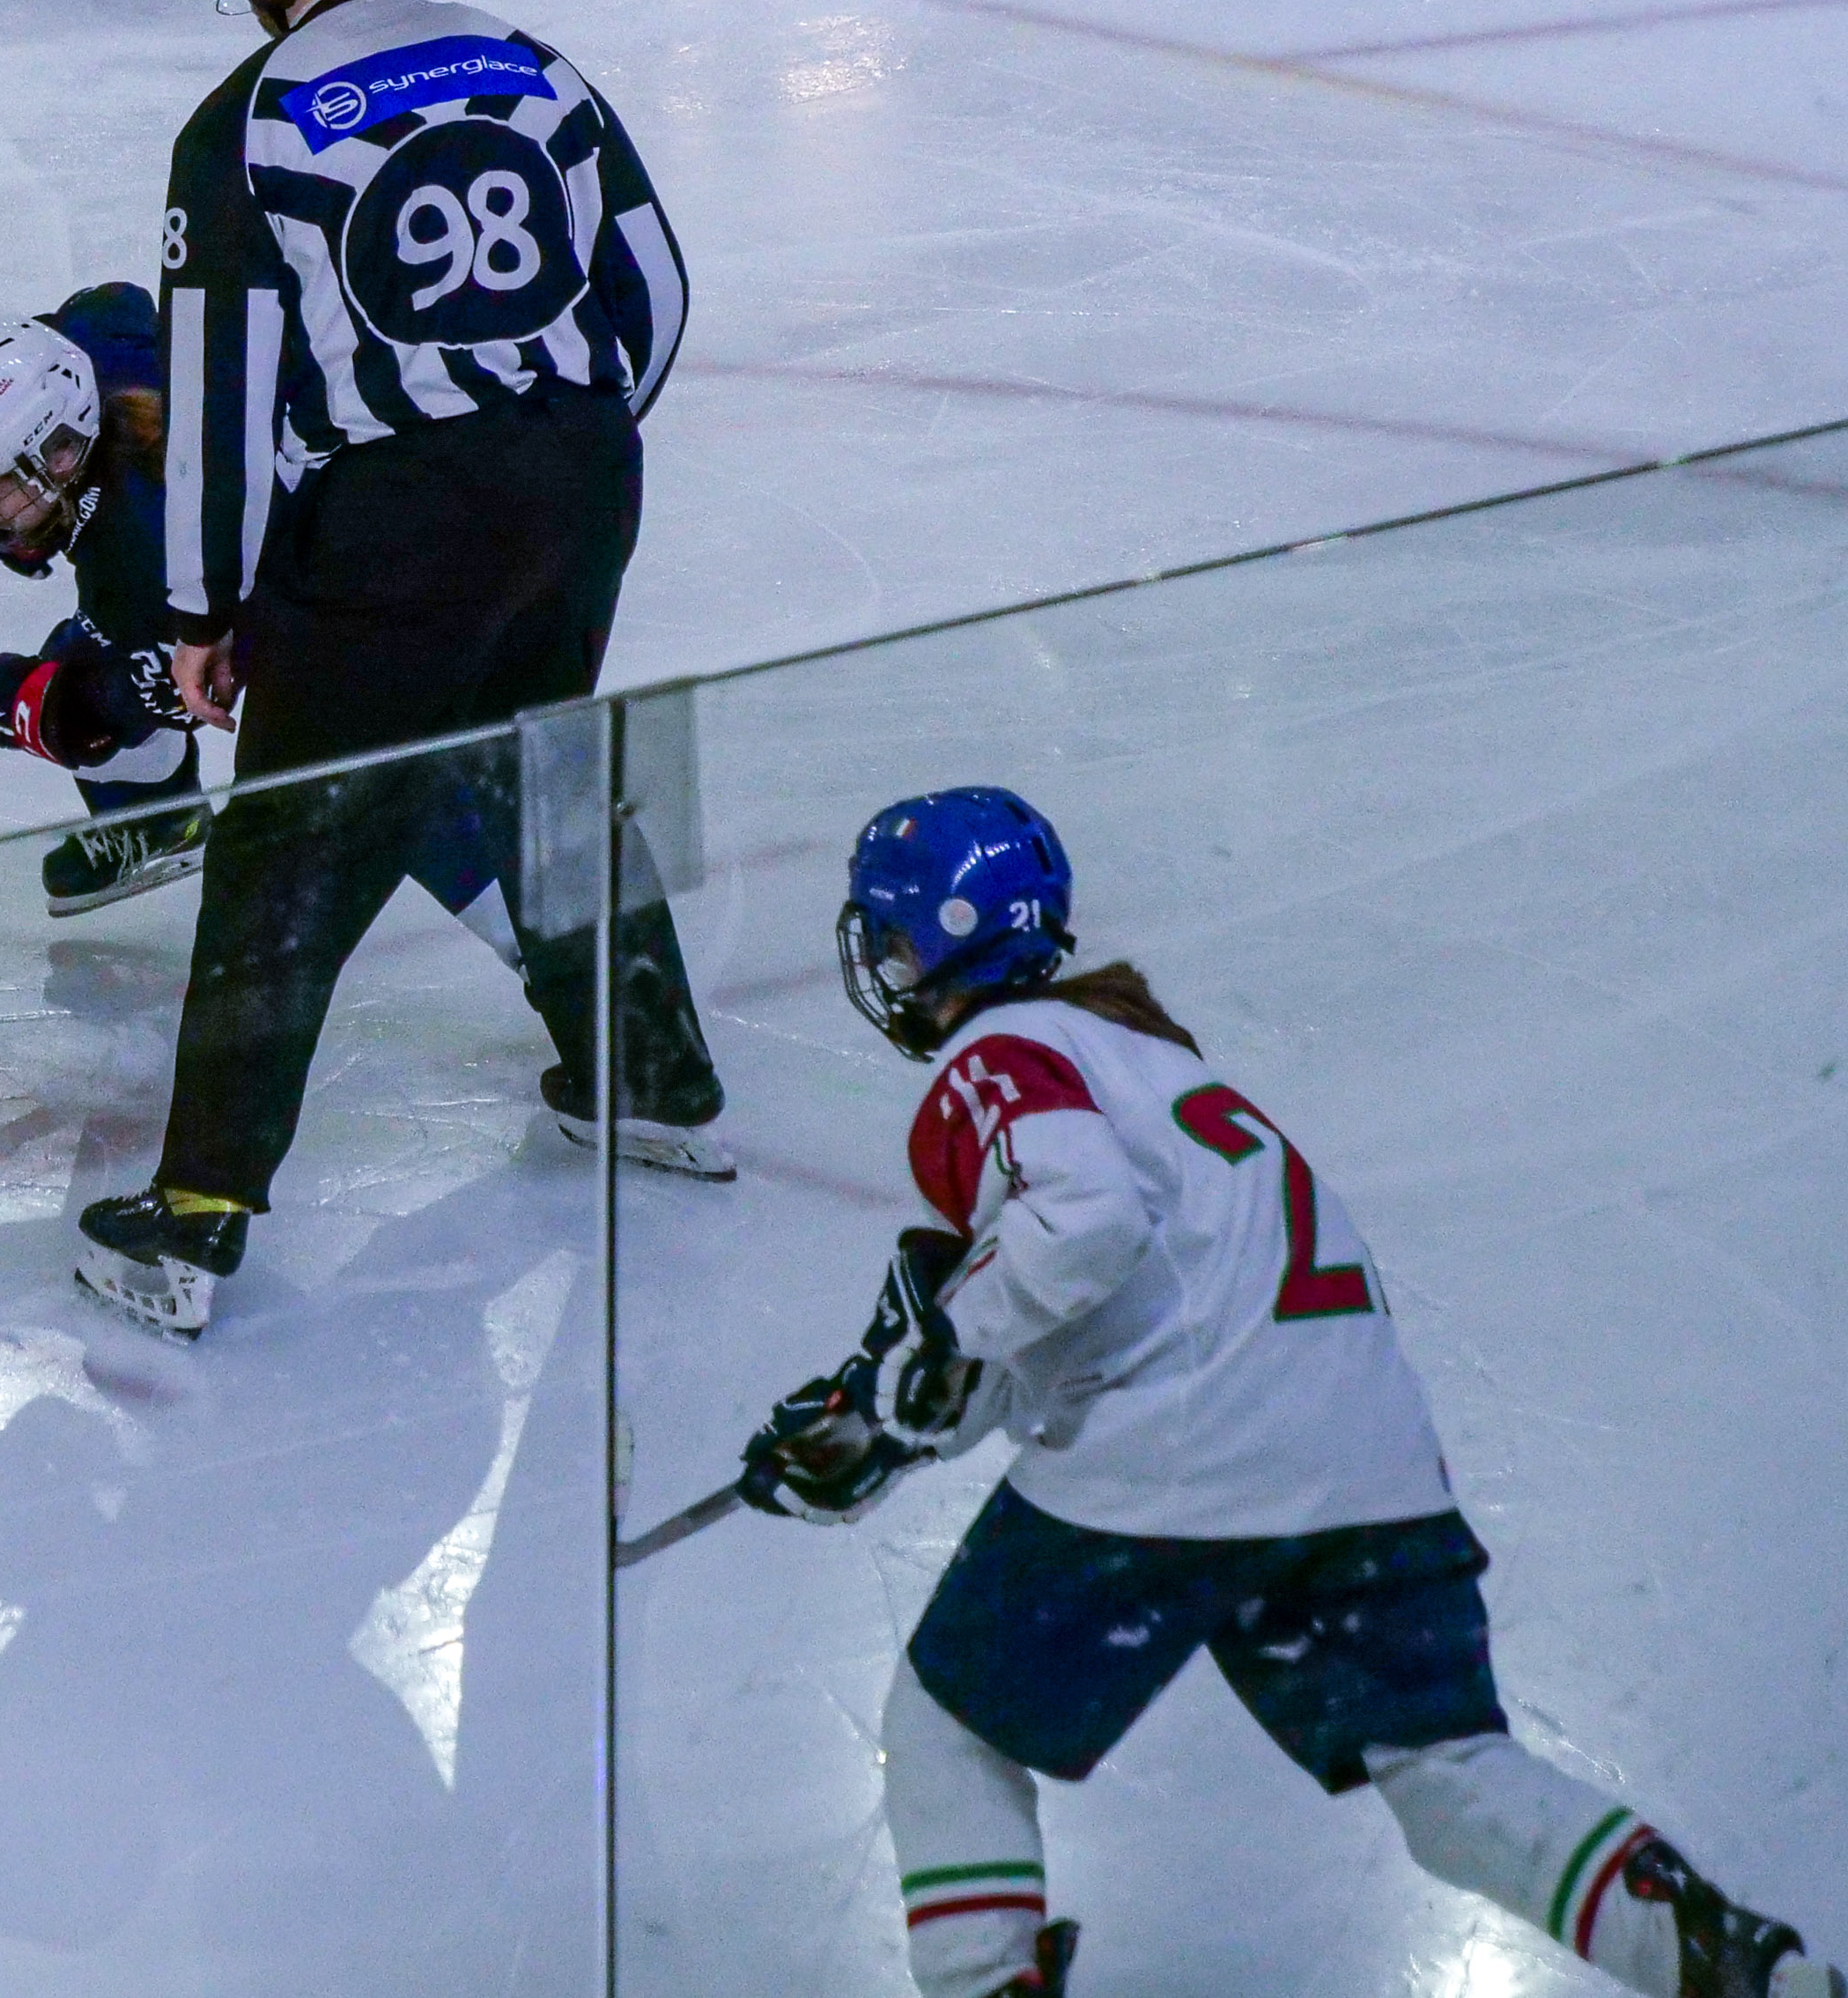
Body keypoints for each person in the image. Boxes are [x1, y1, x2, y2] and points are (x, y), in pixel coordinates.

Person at [745, 788, 1834, 1998]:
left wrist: (930, 1347)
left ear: (946, 938)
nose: (887, 968)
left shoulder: (992, 1056)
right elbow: (1101, 1294)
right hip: (1361, 1452)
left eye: (894, 941)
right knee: (1448, 1777)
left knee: (949, 1726)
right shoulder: (1142, 1056)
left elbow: (1080, 1225)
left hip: (1185, 1445)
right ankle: (1754, 1977)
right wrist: (893, 1420)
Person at [75, 0, 725, 1342]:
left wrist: (194, 612)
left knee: (284, 852)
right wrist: (551, 445)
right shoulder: (527, 60)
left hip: (395, 514)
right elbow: (662, 288)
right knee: (544, 769)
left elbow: (221, 387)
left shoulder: (242, 118)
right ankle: (650, 1075)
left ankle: (192, 1213)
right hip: (580, 473)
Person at [0, 292, 529, 977]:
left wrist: (41, 709)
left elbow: (179, 688)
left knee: (386, 776)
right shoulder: (94, 362)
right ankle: (157, 819)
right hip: (376, 504)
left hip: (384, 569)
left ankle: (562, 960)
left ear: (59, 457)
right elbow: (111, 304)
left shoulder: (147, 552)